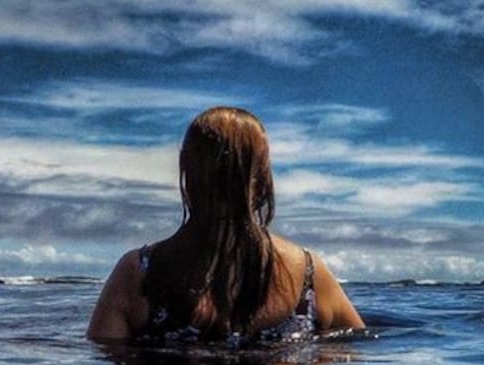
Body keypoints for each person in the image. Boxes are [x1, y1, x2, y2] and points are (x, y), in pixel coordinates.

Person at [88, 106, 363, 342]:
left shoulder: (138, 272)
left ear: (187, 170)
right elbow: (352, 364)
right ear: (262, 175)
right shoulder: (308, 274)